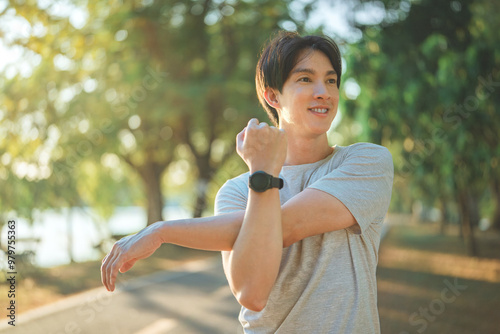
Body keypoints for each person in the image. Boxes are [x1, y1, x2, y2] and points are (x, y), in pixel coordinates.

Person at [101, 31, 393, 333]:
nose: (324, 92)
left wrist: (162, 231)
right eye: (305, 79)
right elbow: (252, 293)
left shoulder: (367, 162)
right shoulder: (238, 191)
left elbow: (286, 226)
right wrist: (262, 171)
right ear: (273, 95)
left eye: (331, 80)